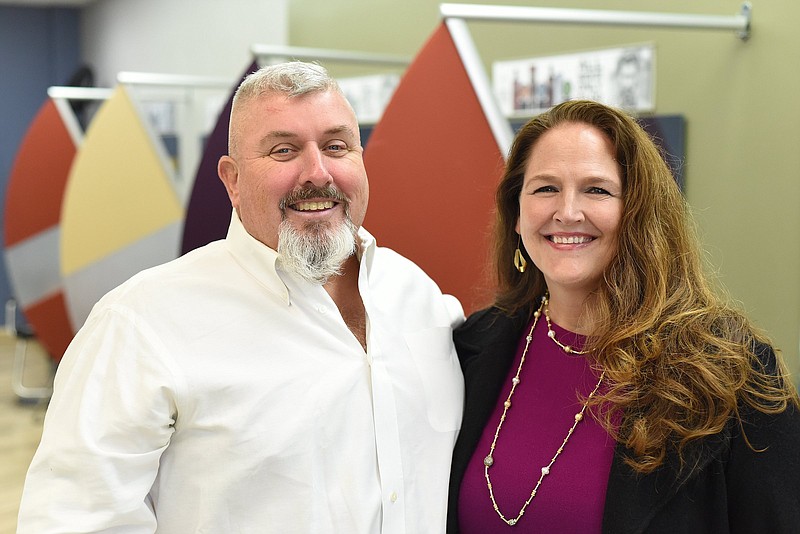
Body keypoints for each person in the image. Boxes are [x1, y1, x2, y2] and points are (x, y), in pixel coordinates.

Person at [18, 61, 465, 533]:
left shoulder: (419, 297)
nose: (317, 172)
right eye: (283, 150)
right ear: (231, 180)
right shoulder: (140, 325)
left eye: (336, 146)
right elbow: (74, 520)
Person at [447, 99, 800, 533]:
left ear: (637, 212)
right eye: (545, 188)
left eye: (597, 189)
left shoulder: (731, 372)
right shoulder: (471, 347)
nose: (567, 212)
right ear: (516, 215)